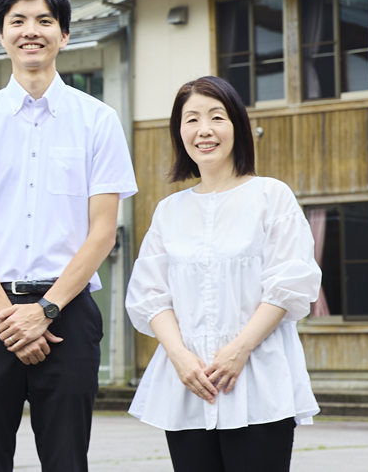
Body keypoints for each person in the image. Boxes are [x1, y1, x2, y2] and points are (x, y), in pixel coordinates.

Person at [0, 0, 138, 472]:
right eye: (18, 21)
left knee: (67, 458)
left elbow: (103, 231)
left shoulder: (98, 120)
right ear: (1, 36)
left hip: (67, 310)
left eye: (45, 21)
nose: (31, 31)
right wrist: (11, 316)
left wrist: (44, 310)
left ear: (64, 36)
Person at [125, 76, 320, 472]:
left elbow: (289, 282)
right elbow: (149, 294)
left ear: (238, 127)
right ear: (179, 133)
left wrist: (239, 349)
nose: (204, 130)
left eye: (217, 117)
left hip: (259, 380)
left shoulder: (271, 195)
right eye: (191, 119)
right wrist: (179, 357)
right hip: (188, 385)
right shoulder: (169, 211)